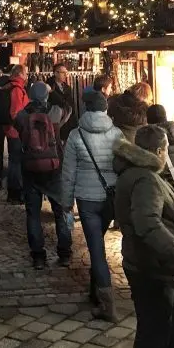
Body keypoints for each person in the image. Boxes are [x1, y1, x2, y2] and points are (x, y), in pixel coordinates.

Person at [113, 125, 174, 348]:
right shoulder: (145, 179)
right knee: (156, 330)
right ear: (160, 151)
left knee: (156, 327)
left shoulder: (138, 172)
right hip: (153, 265)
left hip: (149, 262)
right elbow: (148, 225)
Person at [60, 90, 124, 320]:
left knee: (97, 250)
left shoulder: (77, 136)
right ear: (106, 109)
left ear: (86, 109)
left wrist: (66, 203)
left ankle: (108, 306)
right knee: (98, 245)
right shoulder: (117, 134)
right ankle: (95, 293)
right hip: (110, 196)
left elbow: (68, 173)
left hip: (87, 199)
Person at [14, 81, 72, 270]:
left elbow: (18, 131)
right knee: (60, 211)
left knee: (33, 214)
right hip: (54, 166)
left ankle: (38, 256)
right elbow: (68, 109)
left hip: (30, 167)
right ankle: (64, 253)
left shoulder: (22, 115)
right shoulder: (54, 112)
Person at [2, 65, 30, 203]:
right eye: (25, 73)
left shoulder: (10, 86)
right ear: (20, 74)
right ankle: (15, 193)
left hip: (11, 129)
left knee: (14, 161)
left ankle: (13, 192)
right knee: (16, 162)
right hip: (15, 131)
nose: (27, 75)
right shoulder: (17, 89)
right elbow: (16, 112)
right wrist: (24, 127)